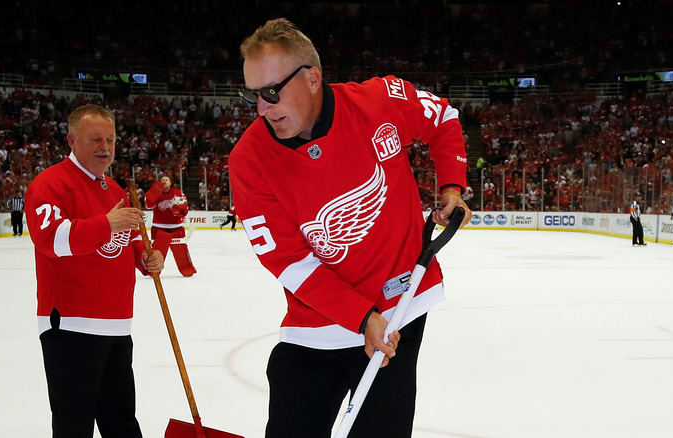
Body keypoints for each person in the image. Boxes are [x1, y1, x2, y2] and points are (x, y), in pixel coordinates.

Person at [229, 18, 470, 438]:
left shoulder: (379, 100)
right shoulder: (249, 159)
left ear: (313, 78)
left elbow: (443, 116)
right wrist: (361, 318)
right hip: (317, 323)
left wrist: (452, 185)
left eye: (271, 92)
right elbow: (287, 261)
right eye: (252, 95)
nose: (262, 108)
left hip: (398, 306)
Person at [25, 104, 164, 438]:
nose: (106, 147)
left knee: (121, 422)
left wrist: (147, 258)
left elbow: (127, 244)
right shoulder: (51, 184)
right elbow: (51, 240)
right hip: (71, 324)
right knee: (75, 424)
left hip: (117, 325)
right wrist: (106, 223)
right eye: (96, 139)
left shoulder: (115, 191)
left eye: (111, 139)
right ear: (72, 140)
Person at [144, 175, 196, 276]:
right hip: (158, 226)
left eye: (166, 180)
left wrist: (180, 209)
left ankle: (187, 269)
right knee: (156, 251)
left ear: (170, 182)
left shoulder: (177, 193)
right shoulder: (157, 193)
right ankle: (153, 271)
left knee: (181, 249)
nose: (164, 181)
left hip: (175, 227)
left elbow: (185, 209)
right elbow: (149, 205)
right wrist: (155, 191)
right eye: (162, 180)